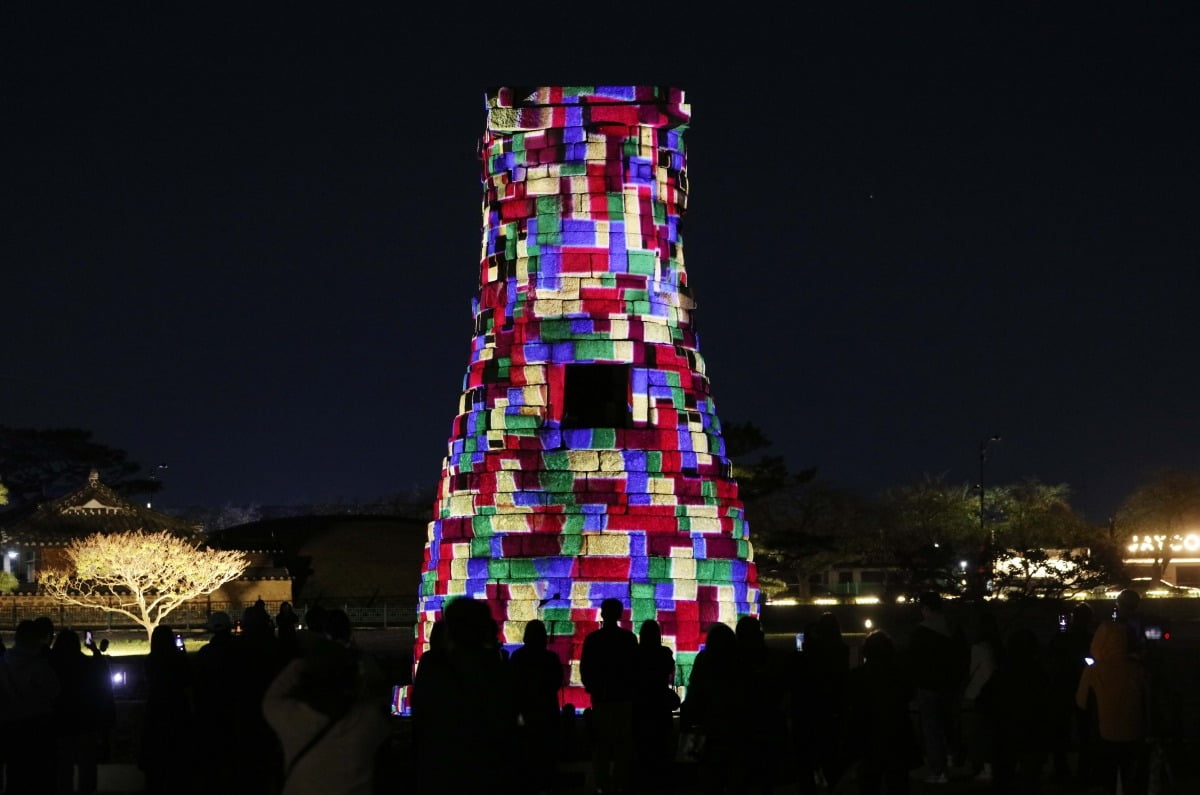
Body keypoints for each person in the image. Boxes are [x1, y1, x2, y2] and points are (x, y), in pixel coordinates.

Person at [262, 608, 391, 795]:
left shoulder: (289, 718)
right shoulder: (367, 723)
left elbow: (275, 694)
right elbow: (380, 695)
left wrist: (310, 659)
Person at [411, 597, 515, 793]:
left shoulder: (433, 667)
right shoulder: (498, 670)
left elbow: (421, 719)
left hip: (441, 770)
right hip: (486, 772)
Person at [1076, 620, 1151, 795]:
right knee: (1131, 783)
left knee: (1105, 783)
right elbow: (1147, 702)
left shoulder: (1093, 671)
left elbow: (1081, 702)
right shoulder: (1138, 670)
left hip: (1103, 737)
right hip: (1134, 735)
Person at [845, 631, 919, 795]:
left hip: (868, 734)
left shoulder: (858, 676)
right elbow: (909, 695)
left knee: (869, 781)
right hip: (897, 733)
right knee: (898, 782)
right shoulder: (899, 674)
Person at [580, 597, 639, 795]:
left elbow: (586, 670)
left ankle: (602, 785)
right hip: (623, 700)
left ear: (603, 613)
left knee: (602, 746)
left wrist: (594, 689)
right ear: (620, 614)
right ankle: (620, 784)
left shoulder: (593, 639)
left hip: (602, 700)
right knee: (622, 745)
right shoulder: (628, 639)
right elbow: (635, 670)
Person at [907, 592, 967, 784]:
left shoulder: (921, 632)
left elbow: (912, 662)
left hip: (928, 687)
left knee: (932, 730)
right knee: (950, 725)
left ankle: (939, 771)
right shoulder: (952, 629)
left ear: (925, 609)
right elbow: (963, 658)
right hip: (951, 687)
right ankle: (953, 758)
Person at [49, 629, 115, 795]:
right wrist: (94, 650)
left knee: (63, 768)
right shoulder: (86, 664)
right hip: (86, 722)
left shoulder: (52, 665)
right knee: (87, 767)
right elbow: (101, 674)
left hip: (60, 723)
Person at [681, 621, 743, 795]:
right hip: (734, 724)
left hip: (710, 723)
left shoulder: (704, 660)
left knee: (711, 770)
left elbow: (695, 687)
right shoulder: (739, 662)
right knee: (733, 771)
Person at [1, 619, 61, 794]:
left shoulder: (3, 663)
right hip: (39, 725)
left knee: (15, 774)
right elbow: (55, 690)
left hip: (10, 725)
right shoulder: (39, 665)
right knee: (41, 776)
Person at [509, 619, 565, 794]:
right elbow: (556, 682)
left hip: (525, 713)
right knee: (546, 755)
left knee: (527, 755)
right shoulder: (550, 658)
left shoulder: (518, 657)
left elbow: (512, 686)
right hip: (547, 712)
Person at [140, 625, 195, 795]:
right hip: (177, 710)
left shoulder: (150, 661)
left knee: (155, 770)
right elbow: (188, 680)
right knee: (176, 768)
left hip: (156, 712)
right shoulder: (178, 660)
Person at [632, 619, 678, 792]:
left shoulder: (635, 653)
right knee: (662, 747)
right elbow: (669, 671)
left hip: (640, 706)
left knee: (642, 748)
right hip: (660, 706)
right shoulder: (664, 653)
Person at [961, 608, 1003, 781]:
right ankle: (990, 767)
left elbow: (970, 670)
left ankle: (983, 767)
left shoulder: (978, 648)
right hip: (994, 695)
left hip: (976, 694)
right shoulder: (998, 647)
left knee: (977, 734)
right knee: (991, 732)